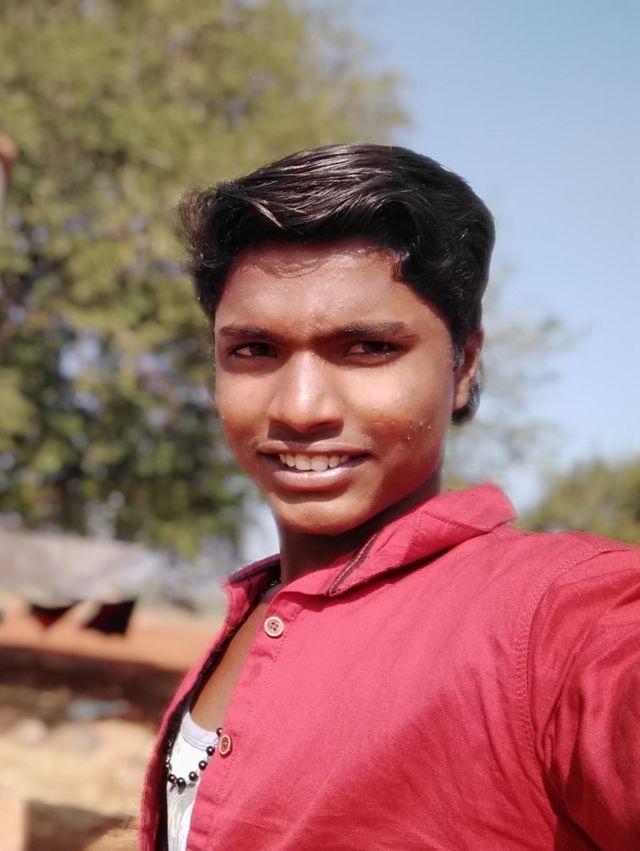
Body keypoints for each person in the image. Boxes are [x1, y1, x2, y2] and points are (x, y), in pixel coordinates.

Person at [139, 144, 640, 851]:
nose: (301, 408)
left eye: (368, 348)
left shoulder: (557, 615)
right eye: (253, 349)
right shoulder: (253, 608)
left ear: (462, 365)